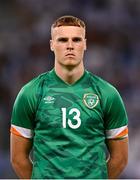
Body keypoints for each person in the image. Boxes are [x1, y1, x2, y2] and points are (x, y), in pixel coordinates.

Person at [10, 15, 128, 179]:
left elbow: (120, 159)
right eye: (63, 40)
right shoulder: (30, 93)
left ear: (85, 44)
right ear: (52, 45)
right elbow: (18, 159)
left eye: (76, 40)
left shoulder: (107, 93)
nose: (70, 46)